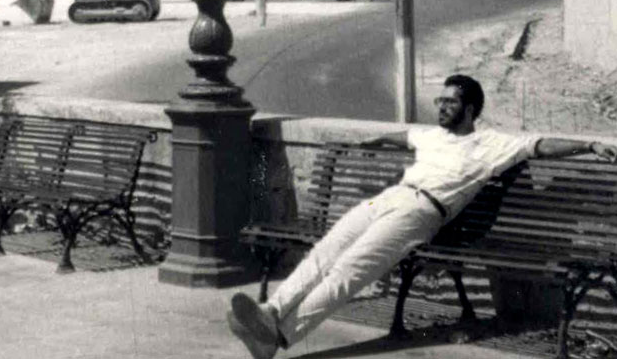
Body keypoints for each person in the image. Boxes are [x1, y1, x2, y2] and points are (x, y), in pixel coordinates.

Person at [225, 74, 617, 359]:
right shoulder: (430, 135)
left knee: (350, 270)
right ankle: (271, 312)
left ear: (470, 109)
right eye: (440, 100)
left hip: (423, 211)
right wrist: (373, 139)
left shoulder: (492, 144)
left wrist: (588, 146)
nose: (441, 107)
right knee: (325, 252)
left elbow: (539, 145)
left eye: (450, 102)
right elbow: (402, 137)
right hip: (391, 198)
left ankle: (280, 336)